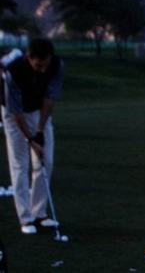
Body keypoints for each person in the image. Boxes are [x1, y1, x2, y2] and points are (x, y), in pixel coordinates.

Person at [2, 38, 64, 235]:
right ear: (29, 57)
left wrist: (39, 132)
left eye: (45, 65)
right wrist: (30, 139)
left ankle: (40, 213)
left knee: (46, 159)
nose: (43, 70)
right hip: (13, 114)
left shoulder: (56, 65)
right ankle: (26, 218)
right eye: (38, 65)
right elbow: (16, 112)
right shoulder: (13, 71)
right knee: (20, 164)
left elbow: (49, 99)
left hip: (38, 111)